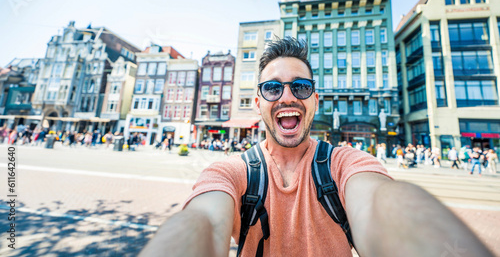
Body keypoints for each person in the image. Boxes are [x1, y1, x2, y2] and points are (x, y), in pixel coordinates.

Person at [140, 37, 493, 257]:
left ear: (316, 100)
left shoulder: (344, 163)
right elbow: (202, 221)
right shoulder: (231, 172)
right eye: (273, 88)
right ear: (259, 102)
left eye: (301, 87)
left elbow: (382, 204)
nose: (288, 97)